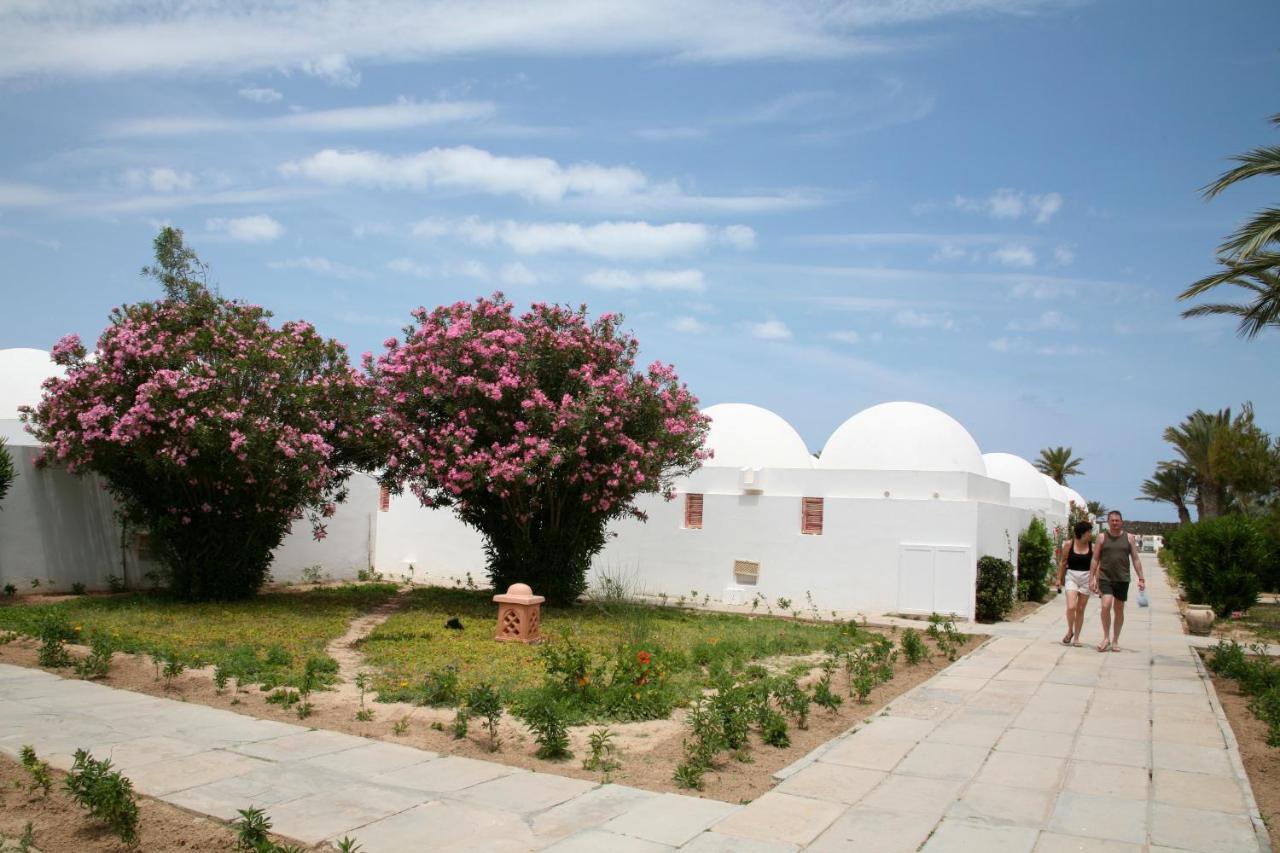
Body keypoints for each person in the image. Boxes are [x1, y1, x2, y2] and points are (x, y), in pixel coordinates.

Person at [1089, 510, 1146, 652]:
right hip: (1105, 577)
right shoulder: (1102, 537)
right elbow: (1095, 558)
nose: (1115, 523)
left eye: (1117, 520)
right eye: (1112, 520)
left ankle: (1115, 640)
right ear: (1108, 522)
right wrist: (1091, 578)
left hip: (1122, 578)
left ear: (1121, 522)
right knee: (1106, 605)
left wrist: (1141, 578)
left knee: (1119, 609)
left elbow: (1135, 558)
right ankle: (1106, 637)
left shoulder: (1129, 538)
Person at [1056, 520, 1095, 646]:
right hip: (1072, 576)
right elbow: (1063, 562)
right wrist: (1059, 579)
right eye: (1089, 532)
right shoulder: (1069, 544)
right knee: (1071, 607)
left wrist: (1095, 579)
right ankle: (1069, 630)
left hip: (1086, 577)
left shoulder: (1092, 547)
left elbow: (1096, 564)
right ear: (1082, 533)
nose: (1091, 534)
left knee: (1081, 609)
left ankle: (1077, 637)